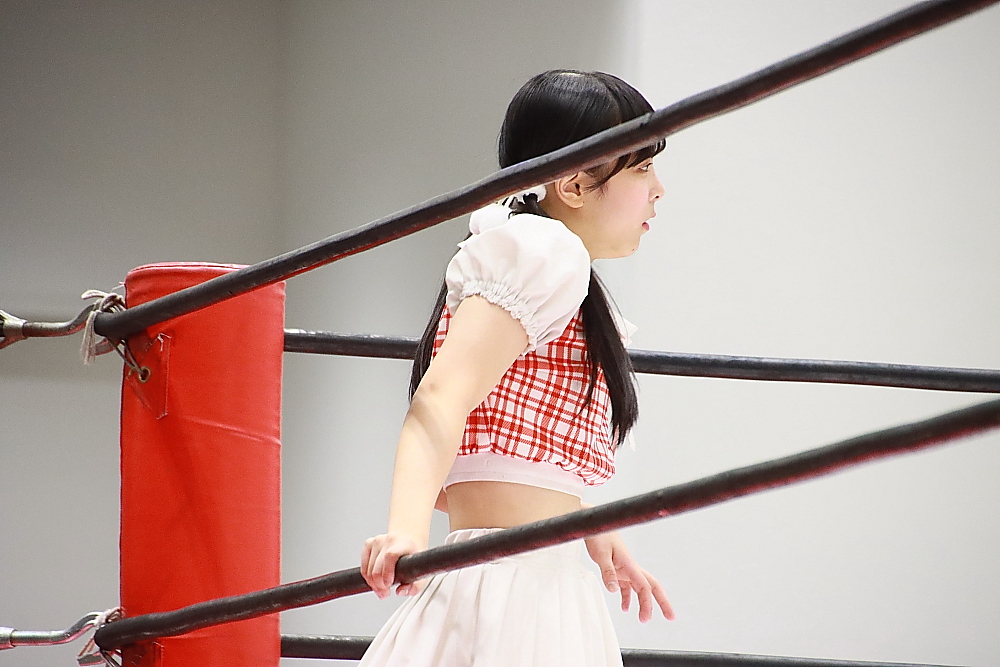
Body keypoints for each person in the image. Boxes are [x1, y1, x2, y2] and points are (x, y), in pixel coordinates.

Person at [359, 69, 673, 667]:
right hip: (513, 583)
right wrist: (405, 532)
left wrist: (585, 519)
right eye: (642, 168)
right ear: (574, 184)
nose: (659, 189)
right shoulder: (543, 252)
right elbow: (442, 397)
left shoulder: (550, 263)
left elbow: (503, 452)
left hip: (530, 576)